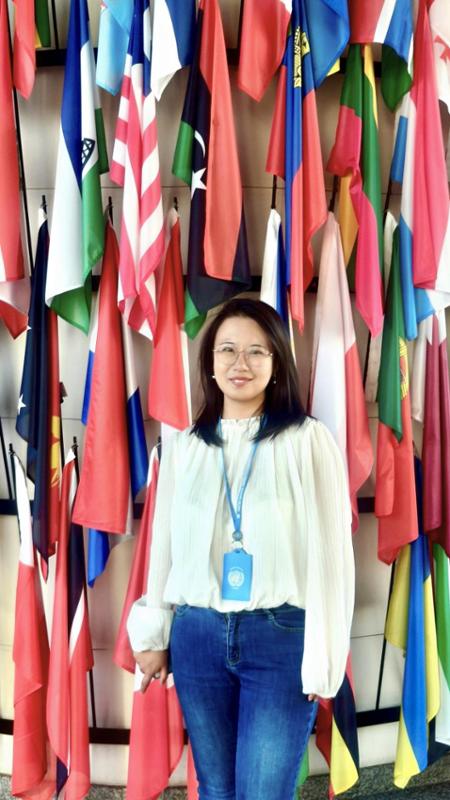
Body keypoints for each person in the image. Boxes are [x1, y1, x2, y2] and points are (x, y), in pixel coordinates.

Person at [127, 298, 355, 800]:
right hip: (197, 635)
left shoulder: (307, 441)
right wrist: (154, 631)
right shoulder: (186, 446)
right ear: (210, 361)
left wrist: (325, 655)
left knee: (263, 791)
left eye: (256, 351)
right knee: (216, 788)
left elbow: (332, 555)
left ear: (276, 363)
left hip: (280, 636)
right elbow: (163, 546)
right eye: (227, 349)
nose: (240, 363)